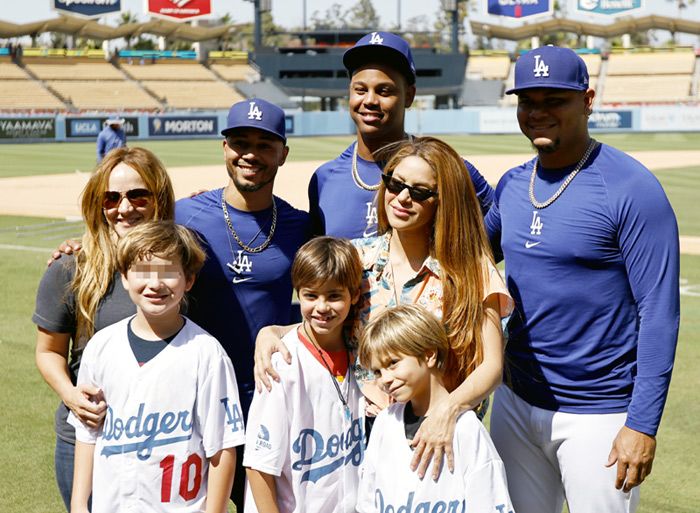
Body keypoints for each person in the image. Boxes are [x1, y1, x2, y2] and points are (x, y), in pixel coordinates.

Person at [484, 46, 680, 513]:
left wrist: (643, 424)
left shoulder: (631, 188)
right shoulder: (513, 184)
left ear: (588, 100)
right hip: (514, 400)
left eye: (555, 100)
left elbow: (659, 311)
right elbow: (463, 256)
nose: (538, 113)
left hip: (600, 413)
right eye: (528, 101)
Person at [256, 136, 512, 480]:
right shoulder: (356, 258)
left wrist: (447, 412)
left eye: (420, 192)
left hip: (438, 438)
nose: (403, 197)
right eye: (395, 183)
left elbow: (492, 367)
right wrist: (272, 331)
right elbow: (325, 320)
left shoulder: (470, 270)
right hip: (362, 441)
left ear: (443, 201)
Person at [175, 98, 310, 507]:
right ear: (224, 148)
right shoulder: (183, 215)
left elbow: (321, 302)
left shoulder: (300, 226)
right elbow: (131, 258)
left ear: (283, 154)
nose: (250, 154)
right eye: (240, 142)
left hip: (268, 396)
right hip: (195, 395)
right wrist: (79, 246)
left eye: (265, 145)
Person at [34, 147, 175, 511]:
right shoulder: (70, 268)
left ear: (158, 197)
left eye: (137, 195)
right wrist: (70, 394)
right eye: (111, 198)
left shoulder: (181, 263)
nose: (124, 208)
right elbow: (49, 351)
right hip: (89, 443)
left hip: (166, 441)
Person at [69, 221, 244, 513]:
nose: (155, 284)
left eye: (168, 273)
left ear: (188, 280)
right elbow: (87, 433)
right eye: (142, 272)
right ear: (124, 277)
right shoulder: (101, 347)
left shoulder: (207, 353)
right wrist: (78, 503)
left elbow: (223, 448)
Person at [308, 31, 494, 239]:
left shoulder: (446, 168)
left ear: (409, 96)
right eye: (360, 90)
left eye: (384, 91)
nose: (370, 100)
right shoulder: (324, 179)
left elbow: (501, 229)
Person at [244, 237, 364, 513]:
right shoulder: (280, 364)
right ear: (298, 293)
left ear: (354, 295)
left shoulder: (364, 356)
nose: (322, 307)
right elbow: (259, 465)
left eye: (334, 296)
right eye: (311, 296)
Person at [356, 304, 513, 513]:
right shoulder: (385, 423)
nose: (385, 379)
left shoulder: (466, 429)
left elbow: (490, 503)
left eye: (393, 363)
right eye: (377, 371)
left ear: (429, 355)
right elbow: (368, 503)